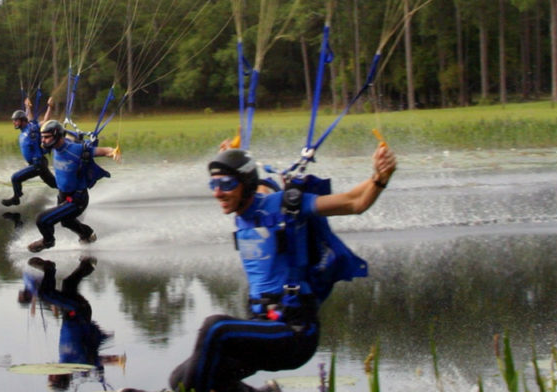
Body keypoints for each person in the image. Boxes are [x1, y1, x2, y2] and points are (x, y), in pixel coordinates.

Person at [160, 143, 397, 392]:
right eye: (214, 185)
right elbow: (260, 187)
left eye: (227, 184)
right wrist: (231, 156)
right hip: (260, 329)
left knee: (216, 328)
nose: (218, 193)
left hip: (294, 333)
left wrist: (380, 177)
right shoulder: (247, 207)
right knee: (180, 379)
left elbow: (354, 202)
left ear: (245, 185)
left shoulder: (286, 206)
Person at [21, 256, 113, 391]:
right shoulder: (80, 364)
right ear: (60, 378)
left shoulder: (64, 362)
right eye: (52, 378)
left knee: (68, 284)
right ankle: (50, 268)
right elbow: (97, 361)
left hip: (71, 312)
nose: (49, 375)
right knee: (46, 294)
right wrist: (100, 370)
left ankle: (88, 264)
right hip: (77, 311)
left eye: (49, 378)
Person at [28, 119, 120, 253]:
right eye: (43, 137)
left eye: (47, 137)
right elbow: (53, 130)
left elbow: (104, 151)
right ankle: (87, 235)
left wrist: (113, 152)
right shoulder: (55, 147)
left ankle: (48, 241)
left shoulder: (75, 150)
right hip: (63, 195)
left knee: (42, 220)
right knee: (66, 222)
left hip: (77, 199)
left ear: (57, 136)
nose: (44, 141)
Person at [2, 99, 56, 207]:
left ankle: (16, 198)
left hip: (38, 164)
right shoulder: (24, 131)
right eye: (14, 120)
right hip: (37, 164)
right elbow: (30, 119)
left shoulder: (32, 129)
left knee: (15, 178)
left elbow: (45, 121)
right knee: (55, 184)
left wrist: (49, 107)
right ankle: (72, 191)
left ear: (22, 120)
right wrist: (28, 107)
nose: (14, 122)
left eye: (16, 120)